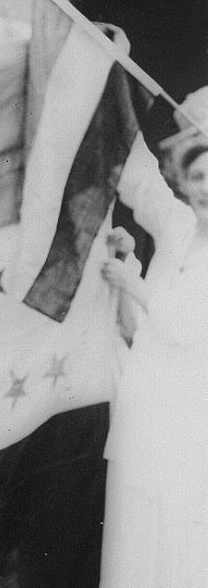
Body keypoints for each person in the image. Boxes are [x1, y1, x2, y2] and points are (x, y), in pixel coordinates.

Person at [99, 86, 208, 587]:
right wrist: (106, 80)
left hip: (191, 434)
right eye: (197, 171)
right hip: (146, 419)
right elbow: (135, 177)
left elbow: (190, 332)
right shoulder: (180, 225)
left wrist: (135, 287)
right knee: (133, 547)